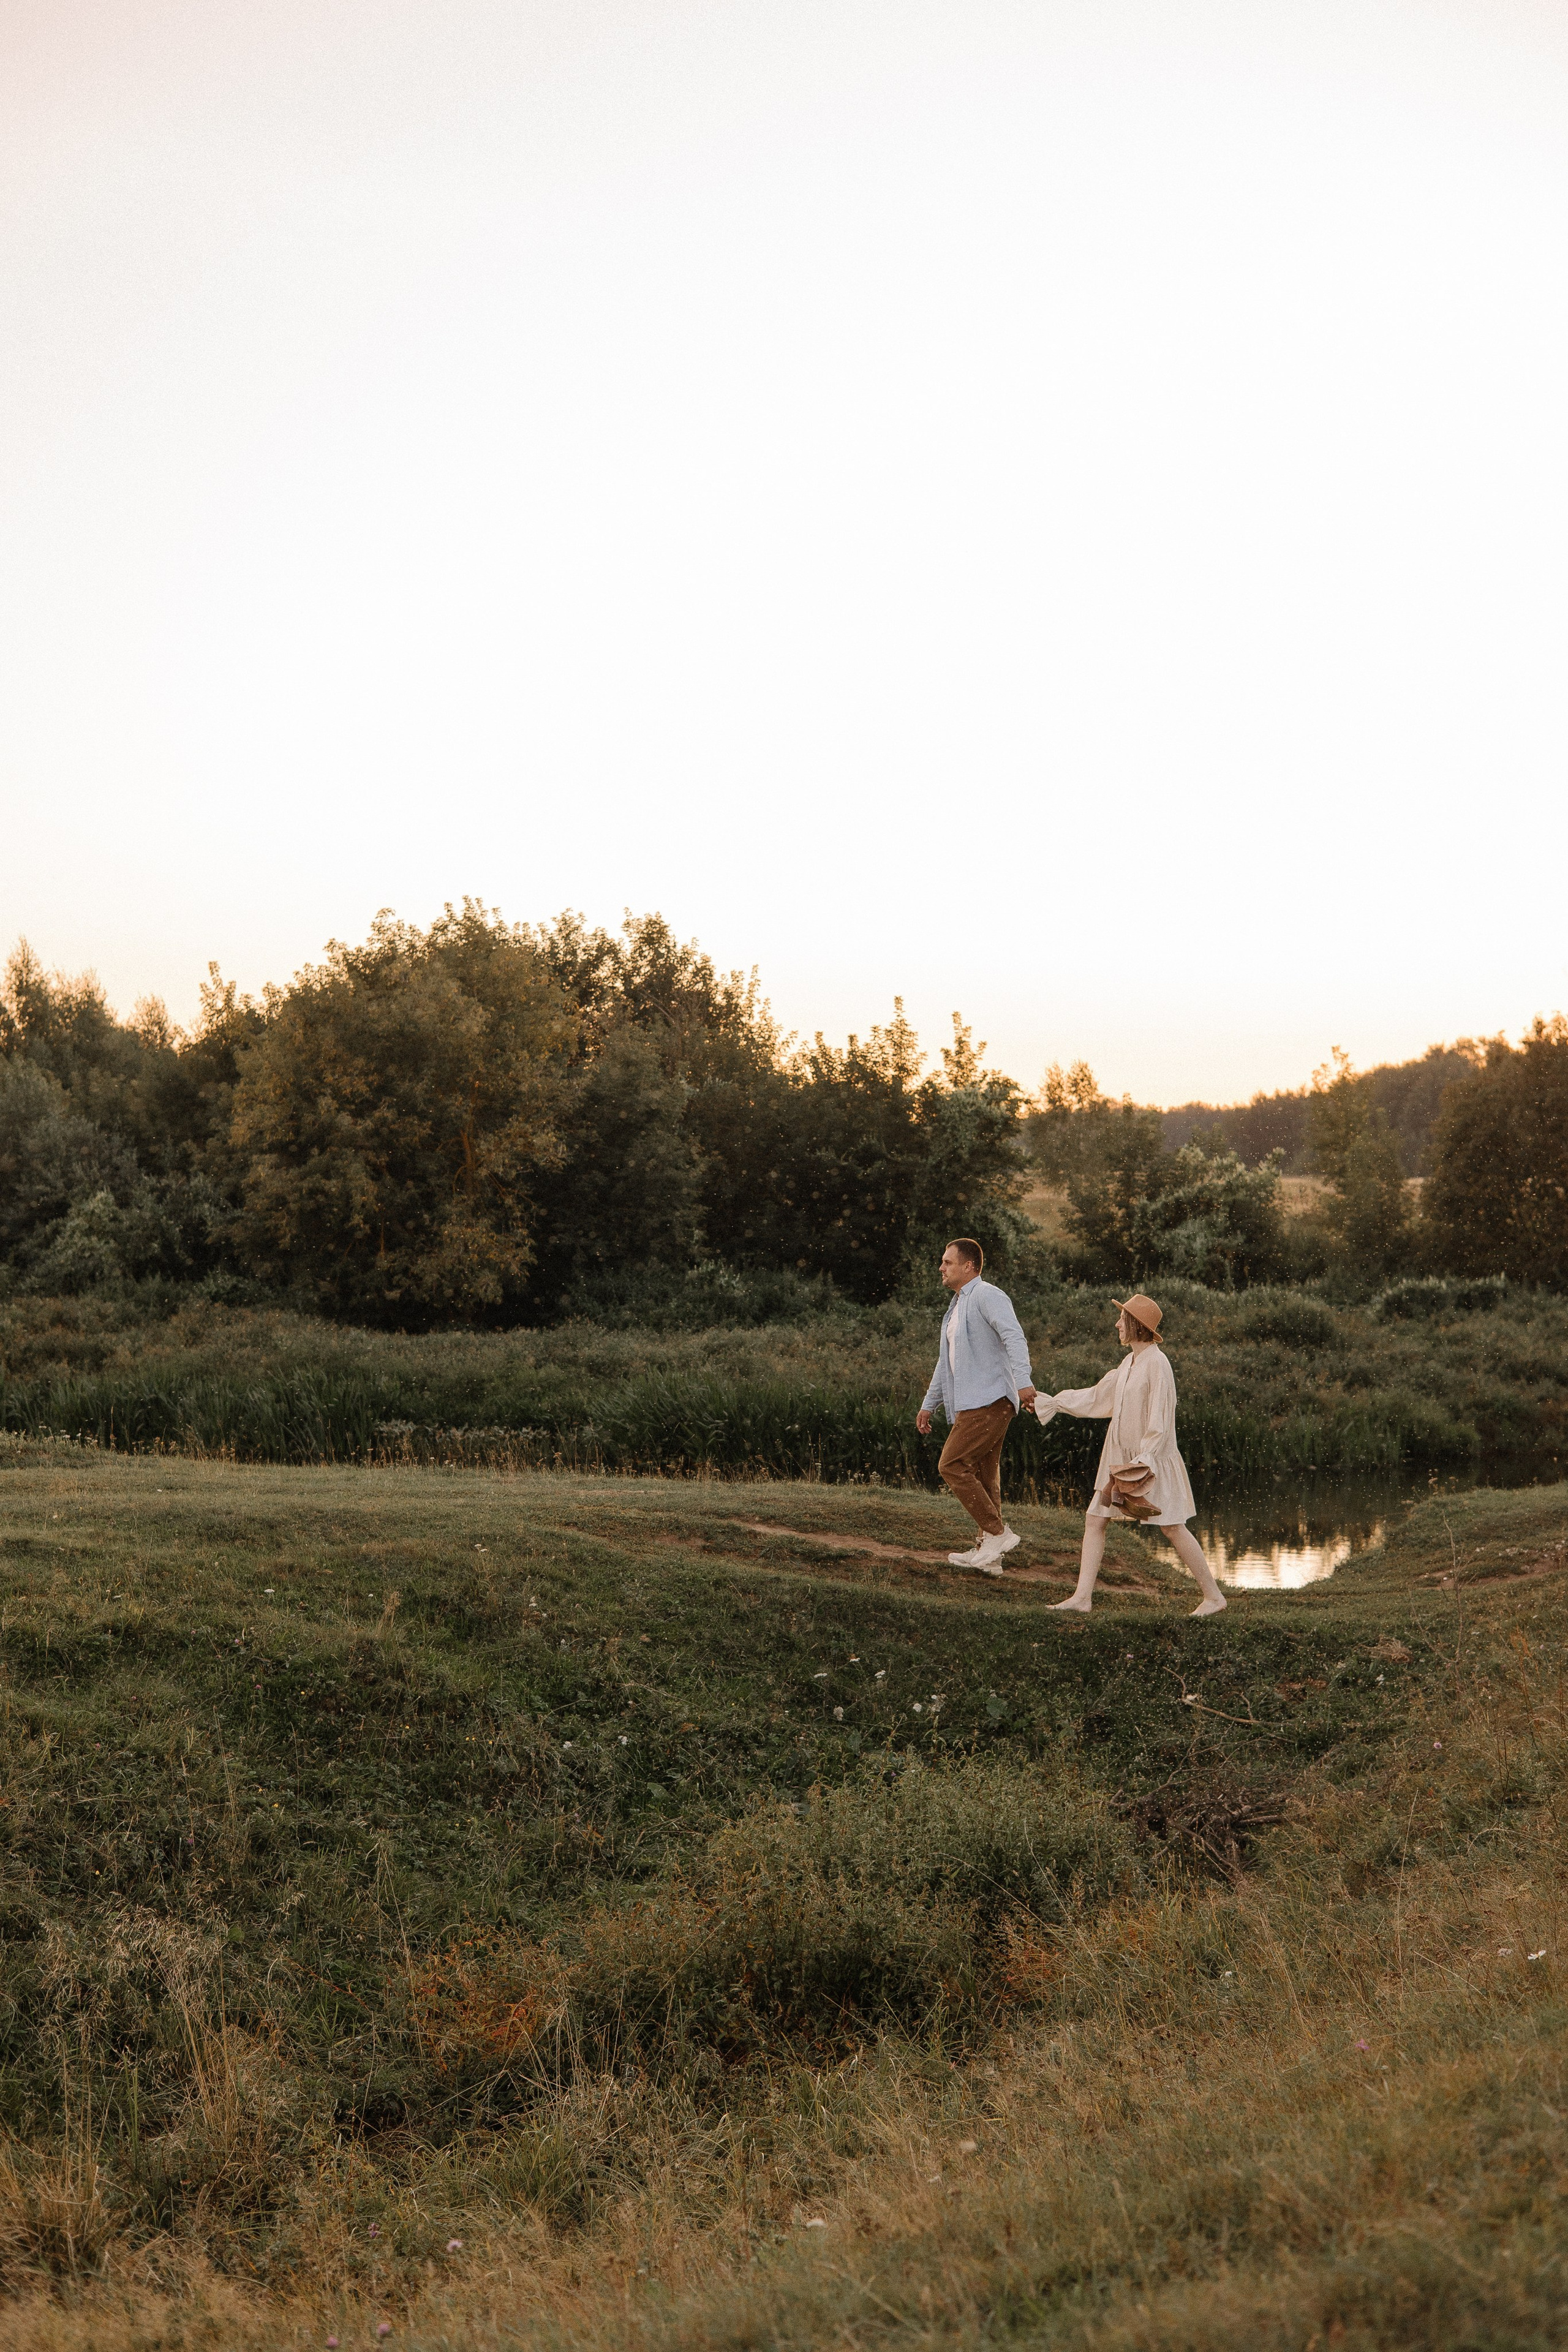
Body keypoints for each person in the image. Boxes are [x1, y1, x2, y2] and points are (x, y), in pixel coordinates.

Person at [1033, 1292, 1227, 1618]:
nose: (1117, 1323)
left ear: (1137, 1325)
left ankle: (1213, 1597)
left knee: (1173, 1527)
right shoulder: (1128, 1363)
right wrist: (1052, 1402)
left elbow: (1161, 1420)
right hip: (1121, 1459)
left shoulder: (1158, 1363)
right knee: (1096, 1518)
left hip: (1149, 1462)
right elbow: (1098, 1398)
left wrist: (1143, 1463)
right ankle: (1082, 1598)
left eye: (1122, 1319)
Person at [916, 1238, 1038, 1574]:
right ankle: (990, 1557)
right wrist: (930, 1404)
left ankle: (999, 1534)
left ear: (969, 1266)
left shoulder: (987, 1295)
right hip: (972, 1403)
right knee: (985, 1478)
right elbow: (947, 1362)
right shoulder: (956, 1307)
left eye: (947, 1262)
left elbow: (1014, 1337)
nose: (941, 1268)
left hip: (990, 1400)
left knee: (951, 1465)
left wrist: (1024, 1381)